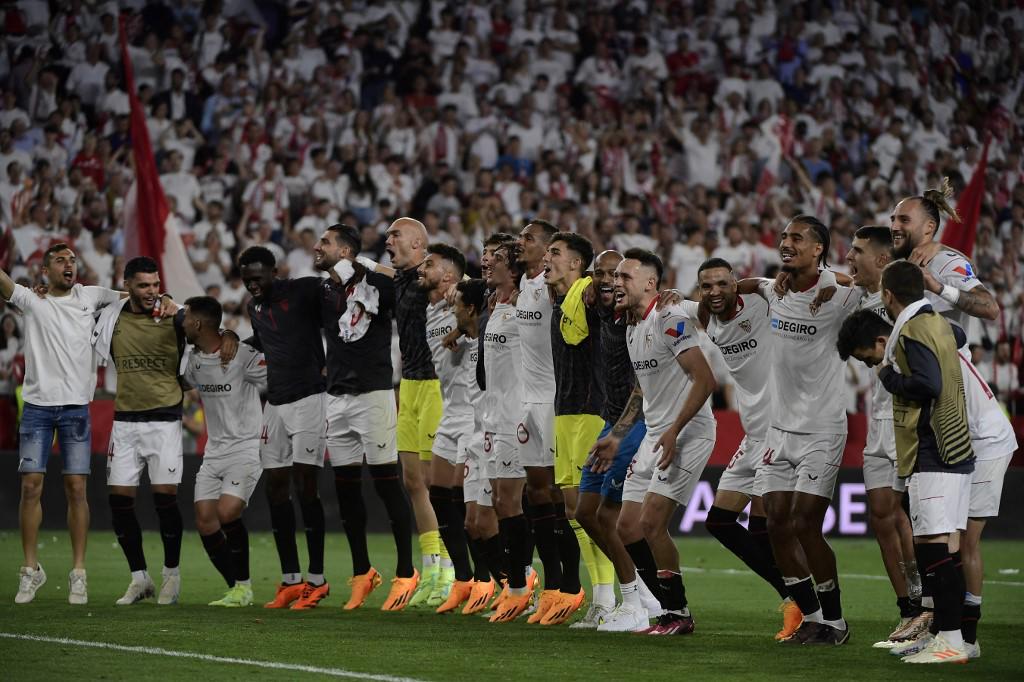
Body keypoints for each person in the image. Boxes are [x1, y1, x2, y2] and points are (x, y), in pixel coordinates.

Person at [836, 260, 975, 664]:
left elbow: (927, 384)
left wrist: (888, 378)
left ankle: (948, 641)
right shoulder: (935, 321)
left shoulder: (909, 329)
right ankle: (957, 638)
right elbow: (960, 337)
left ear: (888, 295)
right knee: (945, 548)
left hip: (934, 450)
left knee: (933, 549)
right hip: (954, 447)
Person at [747, 215, 861, 644]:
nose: (786, 242)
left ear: (819, 249)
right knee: (774, 522)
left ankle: (836, 620)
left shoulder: (842, 293)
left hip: (821, 428)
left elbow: (872, 286)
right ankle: (811, 615)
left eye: (797, 237)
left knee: (804, 523)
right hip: (779, 431)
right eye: (784, 236)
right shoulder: (773, 289)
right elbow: (747, 284)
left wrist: (837, 279)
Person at [597, 248, 716, 636]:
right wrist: (617, 436)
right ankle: (667, 607)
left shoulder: (670, 318)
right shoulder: (633, 327)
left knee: (650, 523)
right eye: (616, 277)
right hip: (655, 434)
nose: (617, 283)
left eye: (625, 277)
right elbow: (640, 390)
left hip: (687, 433)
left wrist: (673, 430)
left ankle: (678, 613)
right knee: (627, 525)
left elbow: (703, 378)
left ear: (650, 283)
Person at [93, 257, 221, 606]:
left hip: (164, 420)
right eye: (143, 285)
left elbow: (207, 334)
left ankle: (171, 576)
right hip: (125, 420)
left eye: (155, 285)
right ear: (128, 285)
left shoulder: (174, 316)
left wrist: (176, 310)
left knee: (165, 500)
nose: (151, 292)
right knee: (120, 502)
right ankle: (139, 578)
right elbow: (77, 304)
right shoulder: (112, 315)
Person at [684, 257, 800, 640]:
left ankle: (803, 603)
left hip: (778, 429)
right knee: (719, 521)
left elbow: (769, 284)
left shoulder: (762, 300)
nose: (715, 291)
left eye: (722, 283)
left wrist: (752, 282)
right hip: (752, 433)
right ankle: (795, 595)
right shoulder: (708, 317)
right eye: (707, 285)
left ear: (734, 282)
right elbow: (691, 309)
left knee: (765, 528)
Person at [3, 243, 121, 605]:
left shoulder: (90, 296)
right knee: (31, 487)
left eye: (72, 260)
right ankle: (30, 570)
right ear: (44, 271)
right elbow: (4, 283)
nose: (69, 265)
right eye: (60, 260)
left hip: (75, 408)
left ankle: (79, 573)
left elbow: (131, 297)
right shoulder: (32, 300)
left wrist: (160, 297)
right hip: (38, 407)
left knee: (76, 489)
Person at [312, 224, 418, 611]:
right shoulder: (322, 290)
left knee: (388, 485)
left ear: (345, 251)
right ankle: (362, 573)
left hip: (374, 395)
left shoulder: (379, 285)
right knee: (345, 491)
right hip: (336, 399)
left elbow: (409, 278)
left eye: (324, 242)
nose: (316, 247)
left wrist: (363, 265)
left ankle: (406, 572)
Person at [843, 226, 925, 646]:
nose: (848, 257)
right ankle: (908, 609)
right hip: (876, 420)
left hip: (905, 418)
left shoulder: (904, 299)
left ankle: (927, 604)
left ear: (880, 259)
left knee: (913, 517)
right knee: (881, 515)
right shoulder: (857, 296)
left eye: (856, 251)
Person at [239, 246, 329, 610]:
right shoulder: (254, 308)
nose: (253, 285)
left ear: (275, 271)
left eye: (258, 278)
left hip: (309, 398)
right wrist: (233, 341)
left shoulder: (303, 290)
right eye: (246, 280)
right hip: (274, 403)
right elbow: (264, 341)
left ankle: (318, 579)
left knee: (306, 487)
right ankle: (291, 579)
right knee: (276, 488)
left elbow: (335, 300)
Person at [579, 250, 662, 633]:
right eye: (602, 274)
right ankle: (644, 593)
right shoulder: (603, 311)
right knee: (584, 512)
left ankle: (633, 604)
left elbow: (641, 387)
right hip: (611, 423)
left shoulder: (638, 318)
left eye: (617, 275)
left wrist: (618, 434)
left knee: (608, 517)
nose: (609, 280)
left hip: (634, 427)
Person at [542, 231, 612, 627]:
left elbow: (606, 288)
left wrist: (599, 284)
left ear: (576, 264)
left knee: (593, 512)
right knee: (573, 511)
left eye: (555, 253)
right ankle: (601, 598)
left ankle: (634, 594)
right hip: (564, 414)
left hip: (590, 412)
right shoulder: (559, 302)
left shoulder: (587, 292)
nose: (547, 259)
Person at [181, 296, 265, 608]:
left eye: (187, 318)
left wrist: (234, 337)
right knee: (205, 519)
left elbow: (276, 376)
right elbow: (184, 379)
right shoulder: (194, 360)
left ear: (199, 323)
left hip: (245, 448)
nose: (183, 322)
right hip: (214, 451)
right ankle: (237, 588)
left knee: (227, 512)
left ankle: (242, 586)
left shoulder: (242, 356)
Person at [512, 220, 574, 625]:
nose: (522, 243)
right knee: (534, 495)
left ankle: (571, 587)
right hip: (527, 402)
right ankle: (552, 587)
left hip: (554, 399)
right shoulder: (524, 284)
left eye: (530, 239)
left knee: (560, 498)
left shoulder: (556, 289)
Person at [384, 217, 446, 604]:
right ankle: (432, 566)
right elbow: (378, 270)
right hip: (408, 385)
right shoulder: (399, 280)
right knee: (412, 481)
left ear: (419, 243)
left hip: (437, 384)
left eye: (395, 235)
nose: (388, 239)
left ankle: (450, 568)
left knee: (433, 481)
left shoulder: (435, 278)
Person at [418, 244, 480, 612]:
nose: (422, 269)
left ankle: (492, 578)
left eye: (430, 264)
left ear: (451, 276)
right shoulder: (432, 310)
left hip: (474, 413)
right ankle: (463, 578)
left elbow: (491, 291)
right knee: (438, 496)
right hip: (449, 412)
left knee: (465, 501)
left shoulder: (471, 302)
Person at [483, 241, 538, 623]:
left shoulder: (525, 305)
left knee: (512, 503)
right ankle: (520, 582)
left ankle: (521, 586)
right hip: (494, 415)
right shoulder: (496, 303)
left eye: (497, 259)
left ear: (514, 268)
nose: (487, 262)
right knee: (502, 504)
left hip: (518, 416)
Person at [890, 180, 1000, 334]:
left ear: (929, 227)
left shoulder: (945, 261)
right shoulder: (897, 261)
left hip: (946, 357)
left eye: (904, 220)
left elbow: (990, 307)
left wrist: (939, 288)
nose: (894, 227)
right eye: (893, 219)